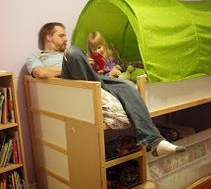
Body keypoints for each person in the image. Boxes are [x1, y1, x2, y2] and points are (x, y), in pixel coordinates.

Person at [27, 22, 185, 156]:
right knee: (74, 51)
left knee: (128, 86)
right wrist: (74, 64)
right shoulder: (37, 57)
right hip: (70, 81)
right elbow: (40, 72)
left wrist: (89, 67)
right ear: (49, 37)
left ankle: (155, 142)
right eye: (61, 35)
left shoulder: (67, 54)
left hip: (91, 78)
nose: (65, 38)